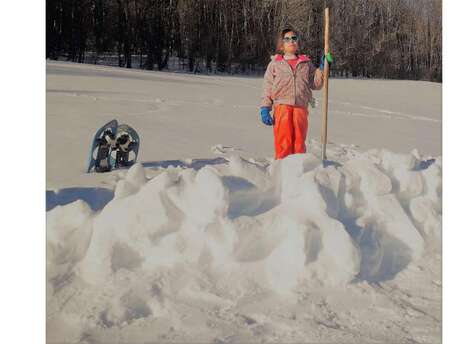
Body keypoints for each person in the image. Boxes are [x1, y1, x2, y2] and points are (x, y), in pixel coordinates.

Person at [260, 27, 333, 159]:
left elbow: (316, 84)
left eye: (294, 38)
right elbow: (268, 86)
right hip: (282, 106)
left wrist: (322, 68)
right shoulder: (275, 64)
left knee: (299, 142)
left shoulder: (306, 63)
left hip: (301, 106)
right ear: (281, 45)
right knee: (284, 141)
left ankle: (299, 170)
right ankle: (282, 169)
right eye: (287, 39)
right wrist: (265, 107)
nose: (291, 41)